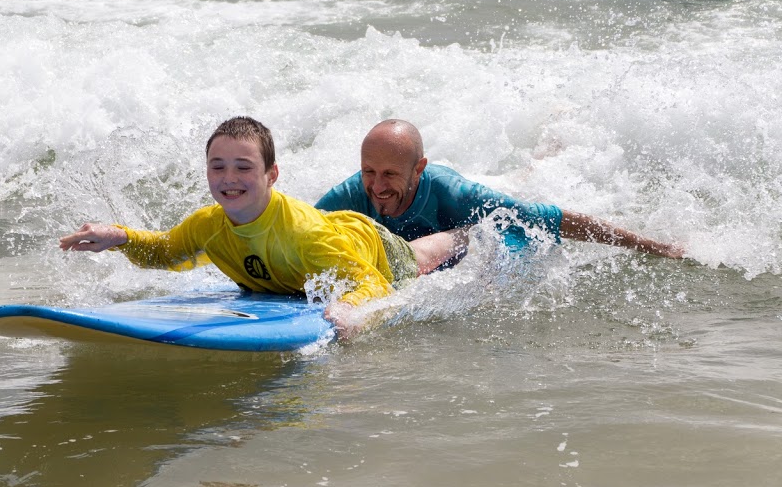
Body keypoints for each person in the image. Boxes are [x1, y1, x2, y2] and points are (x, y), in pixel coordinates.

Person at [59, 116, 468, 339]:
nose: (228, 178)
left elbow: (374, 284)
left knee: (418, 258)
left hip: (370, 244)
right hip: (325, 243)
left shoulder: (304, 235)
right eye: (217, 167)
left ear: (271, 174)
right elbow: (167, 251)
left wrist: (347, 308)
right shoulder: (208, 225)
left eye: (244, 167)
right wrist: (120, 237)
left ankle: (464, 234)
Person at [315, 119, 684, 260]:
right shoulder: (350, 194)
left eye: (390, 175)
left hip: (474, 213)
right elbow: (301, 228)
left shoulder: (455, 195)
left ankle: (551, 144)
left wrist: (655, 247)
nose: (377, 187)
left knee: (518, 192)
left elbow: (553, 219)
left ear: (418, 169)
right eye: (369, 171)